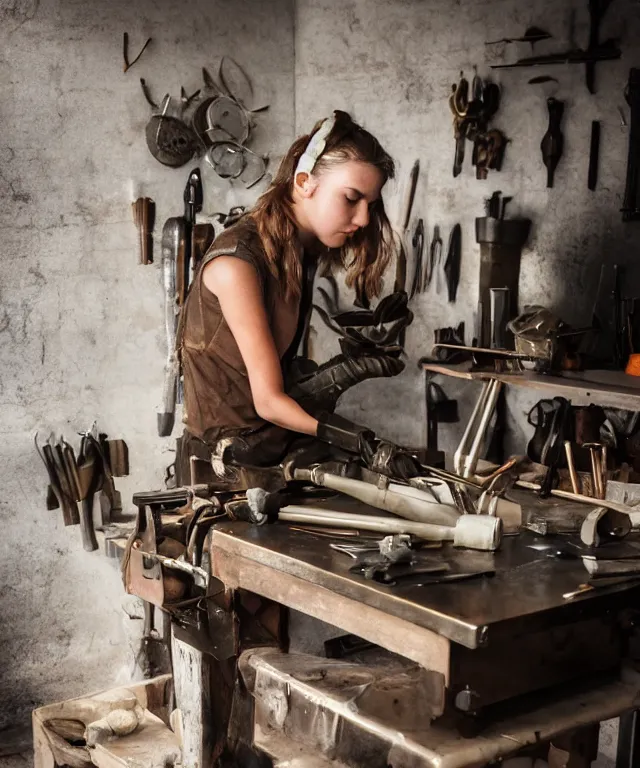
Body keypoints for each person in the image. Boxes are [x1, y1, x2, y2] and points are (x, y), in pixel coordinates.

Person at [177, 110, 412, 485]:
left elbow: (281, 379)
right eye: (352, 198)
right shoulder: (237, 265)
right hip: (223, 476)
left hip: (272, 457)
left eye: (370, 202)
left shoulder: (298, 253)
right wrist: (357, 439)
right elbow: (268, 402)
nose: (365, 219)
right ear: (304, 182)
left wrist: (348, 369)